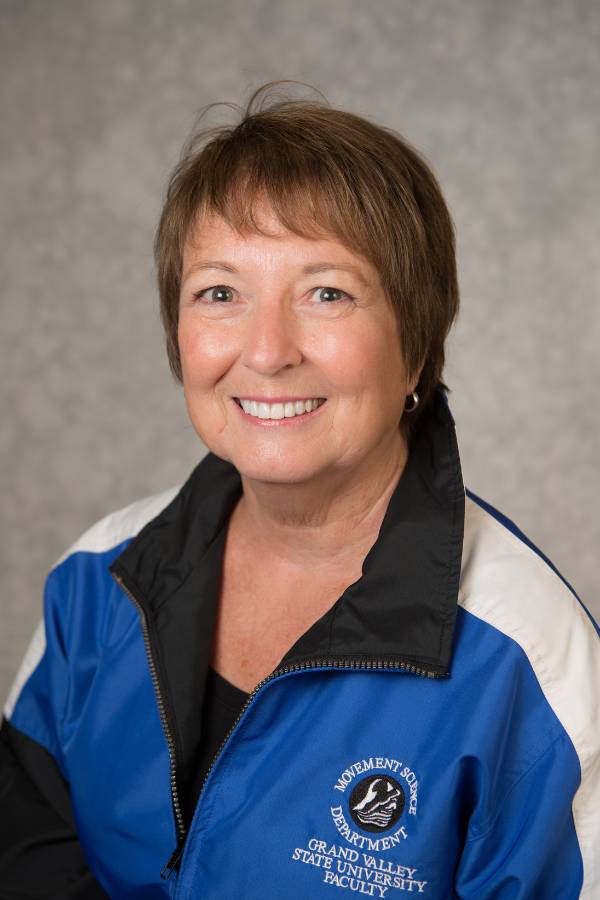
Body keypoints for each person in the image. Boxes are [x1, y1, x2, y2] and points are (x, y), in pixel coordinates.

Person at [1, 80, 598, 899]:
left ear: (416, 346)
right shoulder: (97, 581)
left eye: (327, 292)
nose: (269, 350)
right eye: (220, 292)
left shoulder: (529, 660)